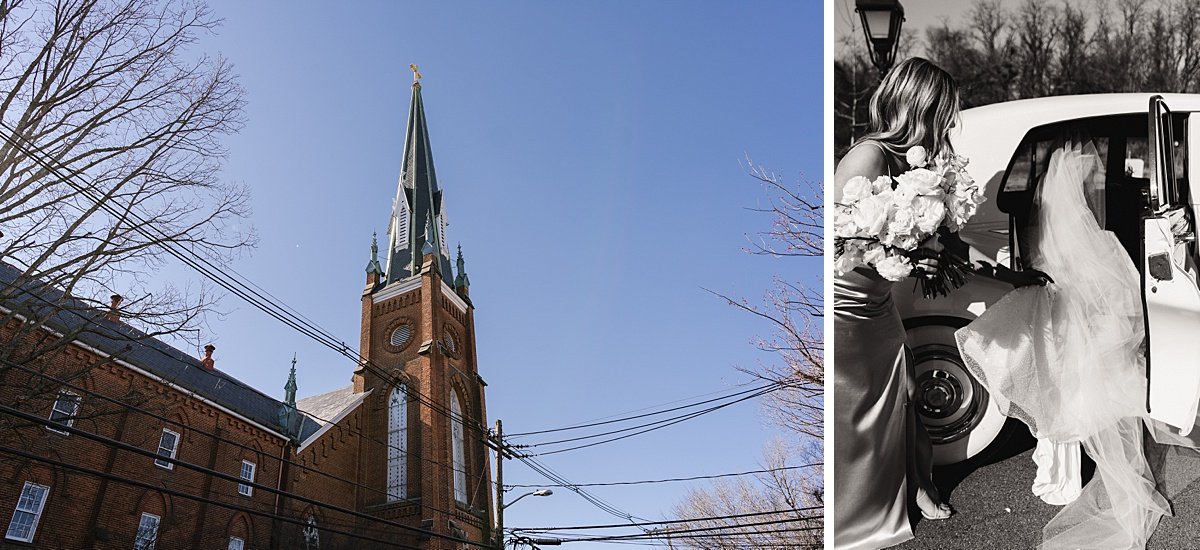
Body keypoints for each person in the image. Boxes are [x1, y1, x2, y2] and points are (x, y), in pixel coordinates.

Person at [833, 57, 1046, 550]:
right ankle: (858, 508)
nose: (950, 122)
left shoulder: (922, 167)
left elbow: (947, 242)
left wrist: (1007, 274)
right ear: (918, 107)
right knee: (856, 409)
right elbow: (840, 246)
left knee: (904, 394)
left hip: (878, 304)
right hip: (847, 304)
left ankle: (921, 484)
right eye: (944, 111)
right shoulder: (864, 159)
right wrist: (907, 257)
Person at [955, 135, 1179, 549]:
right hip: (1071, 291)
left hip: (1058, 290)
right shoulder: (1098, 240)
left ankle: (1063, 470)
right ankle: (1077, 467)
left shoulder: (1048, 211)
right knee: (1088, 374)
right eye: (1091, 181)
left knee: (1066, 378)